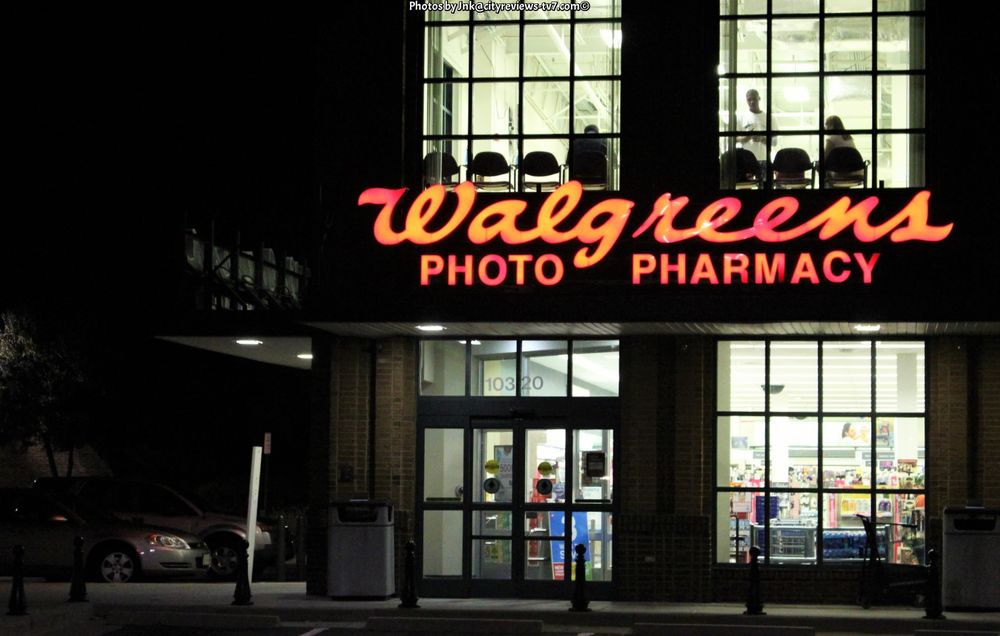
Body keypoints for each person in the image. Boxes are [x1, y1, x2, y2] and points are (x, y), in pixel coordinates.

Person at [737, 89, 767, 162]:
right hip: (746, 160)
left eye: (754, 99)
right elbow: (735, 138)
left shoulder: (768, 118)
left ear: (759, 98)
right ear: (746, 100)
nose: (752, 102)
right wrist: (747, 137)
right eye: (749, 99)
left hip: (764, 159)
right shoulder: (741, 117)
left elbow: (775, 141)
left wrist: (762, 139)